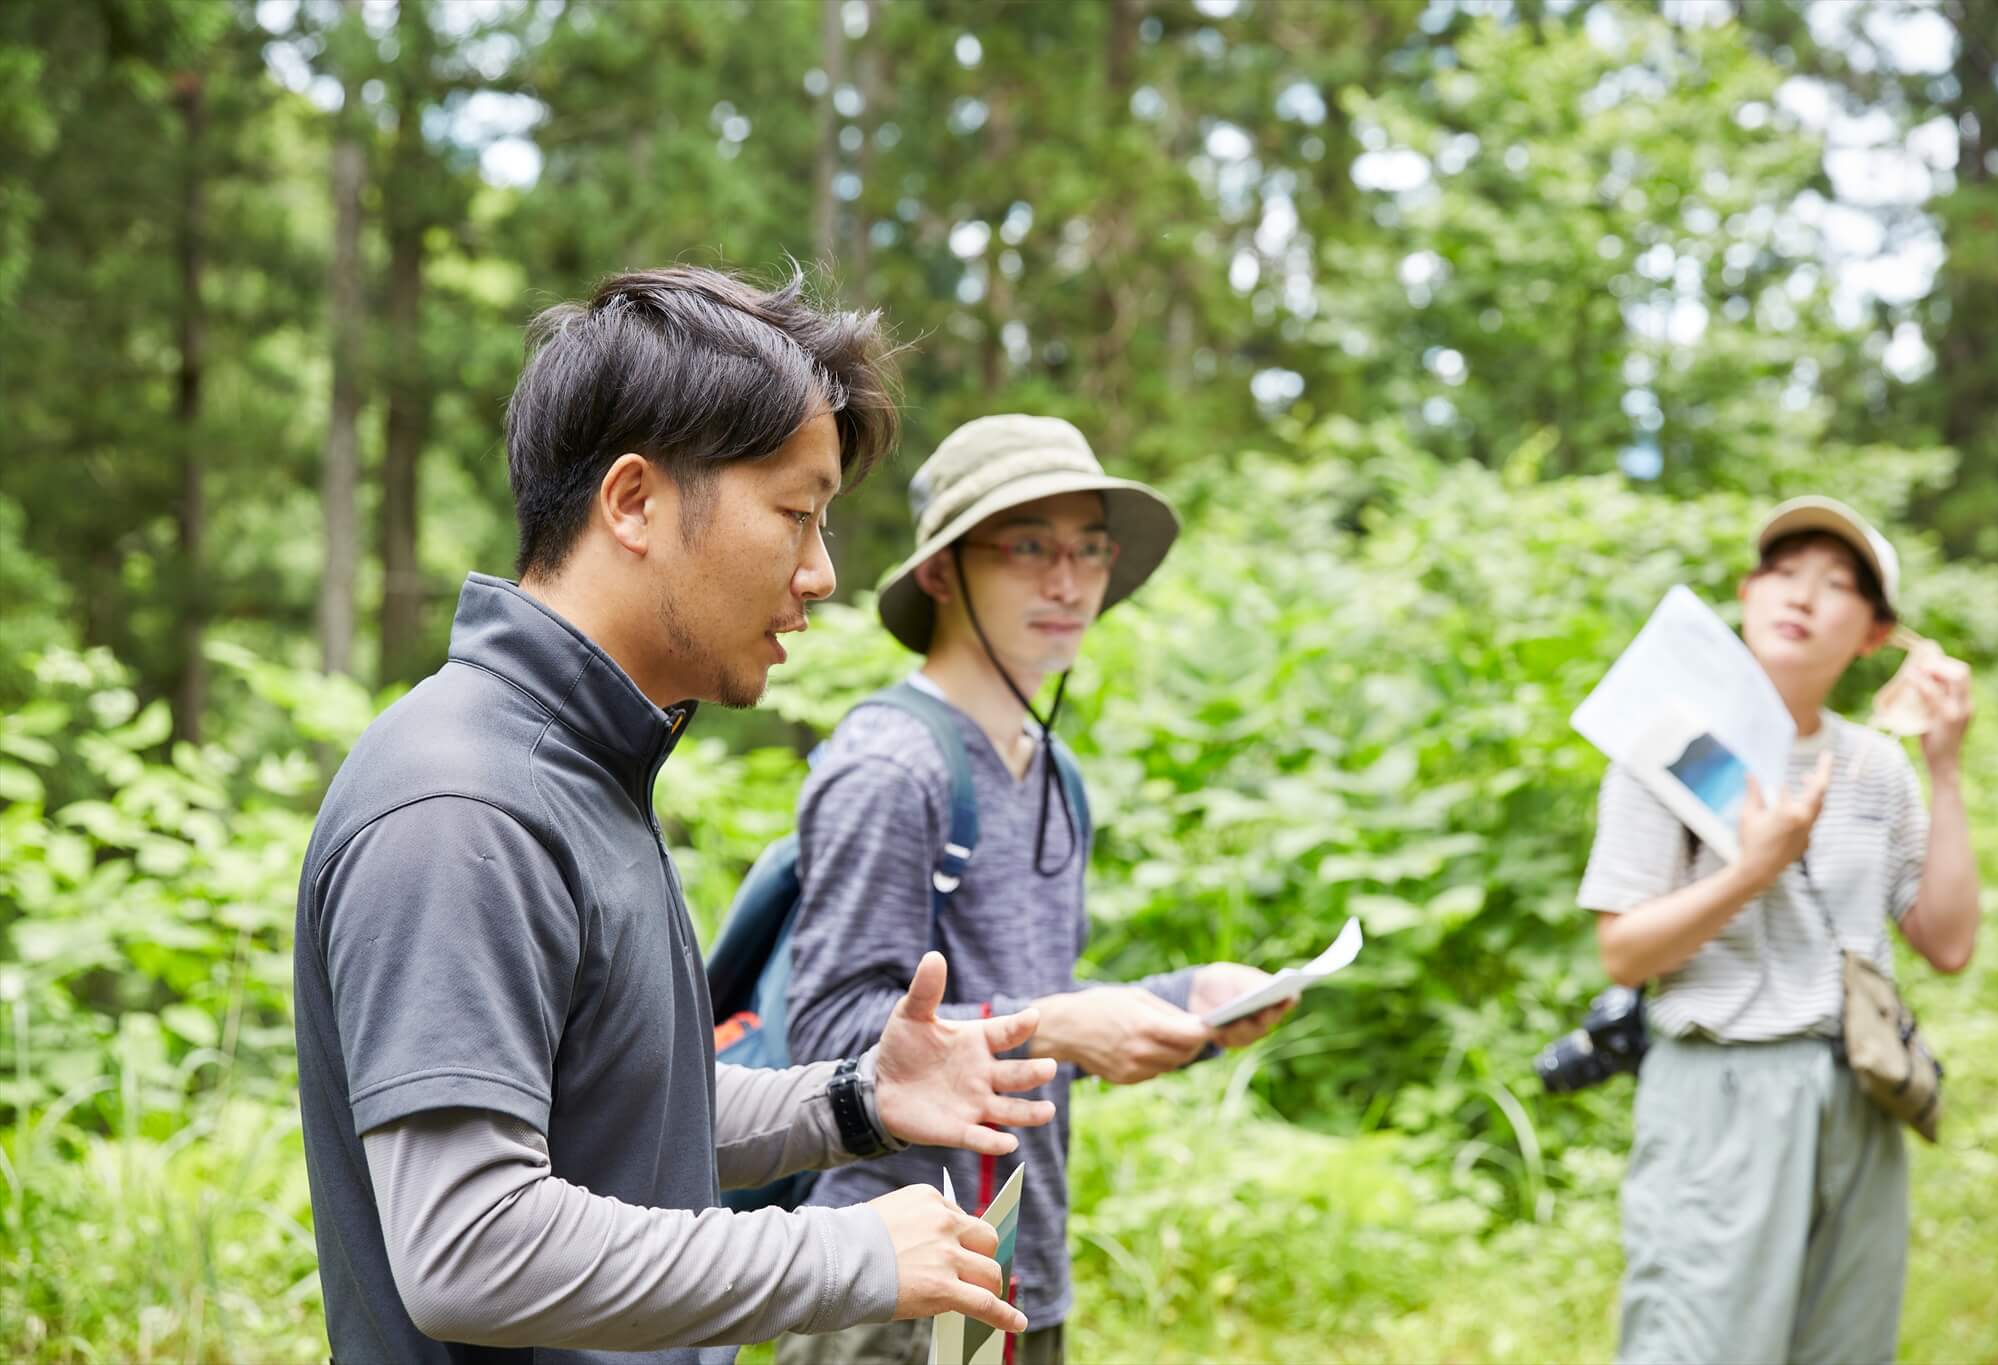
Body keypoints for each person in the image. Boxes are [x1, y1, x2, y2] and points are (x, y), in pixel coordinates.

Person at [293, 267, 1063, 1365]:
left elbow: (624, 1110)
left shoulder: (582, 765)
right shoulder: (464, 803)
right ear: (634, 502)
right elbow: (471, 1246)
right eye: (795, 514)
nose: (821, 573)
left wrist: (857, 1099)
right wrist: (848, 1253)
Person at [777, 415, 1295, 1365]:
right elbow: (830, 1037)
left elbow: (1027, 1008)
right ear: (942, 572)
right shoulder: (891, 766)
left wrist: (1187, 1002)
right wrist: (1058, 1025)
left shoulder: (1053, 770)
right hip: (895, 1287)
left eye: (1091, 549)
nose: (1069, 582)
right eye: (1028, 547)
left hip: (1019, 1273)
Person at [1580, 495, 1981, 1364]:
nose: (1801, 595)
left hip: (1857, 1093)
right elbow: (1624, 952)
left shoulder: (1876, 765)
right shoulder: (1665, 749)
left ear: (1876, 634)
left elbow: (1948, 944)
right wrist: (1751, 870)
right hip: (1719, 1092)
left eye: (1836, 584)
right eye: (1784, 572)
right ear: (1746, 593)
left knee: (1844, 1348)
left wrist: (1944, 767)